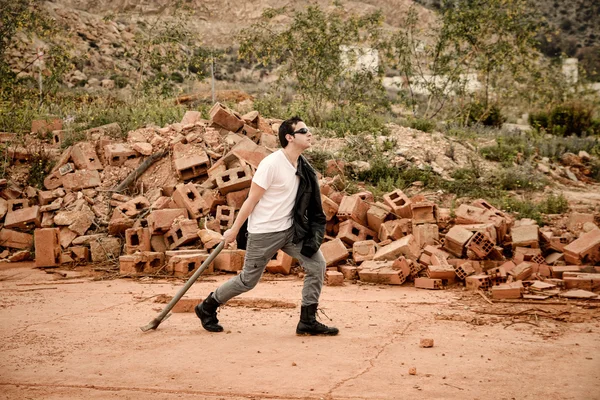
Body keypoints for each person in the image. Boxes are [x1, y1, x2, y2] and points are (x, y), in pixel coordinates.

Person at [195, 116, 339, 336]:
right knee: (247, 281)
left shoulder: (302, 165)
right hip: (263, 233)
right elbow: (251, 200)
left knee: (316, 264)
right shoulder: (271, 164)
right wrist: (233, 230)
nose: (310, 133)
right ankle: (208, 306)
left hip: (290, 231)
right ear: (290, 138)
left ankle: (307, 321)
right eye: (304, 130)